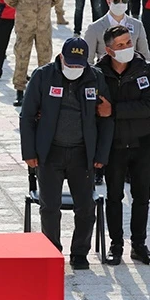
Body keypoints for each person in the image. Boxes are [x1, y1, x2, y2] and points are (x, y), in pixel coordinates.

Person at [20, 37, 114, 270]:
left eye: (78, 65)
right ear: (61, 58)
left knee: (85, 207)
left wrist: (101, 155)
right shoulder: (43, 76)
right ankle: (52, 253)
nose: (74, 69)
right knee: (49, 207)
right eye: (70, 64)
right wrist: (29, 152)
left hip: (82, 154)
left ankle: (79, 254)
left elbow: (106, 120)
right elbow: (27, 116)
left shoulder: (95, 77)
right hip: (49, 153)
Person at [94, 26, 150, 265]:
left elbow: (148, 107)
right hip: (114, 145)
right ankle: (115, 245)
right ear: (108, 50)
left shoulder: (144, 70)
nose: (127, 48)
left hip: (143, 143)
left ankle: (139, 244)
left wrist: (114, 110)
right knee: (114, 196)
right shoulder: (97, 74)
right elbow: (96, 110)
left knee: (142, 197)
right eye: (120, 45)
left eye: (129, 43)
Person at [5, 0, 54, 106]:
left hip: (43, 23)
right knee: (22, 55)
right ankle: (20, 89)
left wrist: (45, 4)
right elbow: (9, 0)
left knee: (45, 57)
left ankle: (44, 89)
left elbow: (57, 0)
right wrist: (23, 6)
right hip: (24, 22)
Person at [85, 0, 150, 65]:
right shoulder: (94, 28)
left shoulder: (137, 25)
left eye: (124, 1)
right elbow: (88, 61)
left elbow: (145, 56)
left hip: (133, 72)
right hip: (105, 72)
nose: (120, 4)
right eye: (116, 1)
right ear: (108, 1)